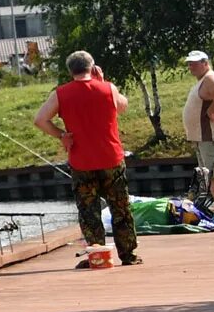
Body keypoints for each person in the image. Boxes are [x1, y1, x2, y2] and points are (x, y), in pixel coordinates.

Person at [33, 50, 140, 266]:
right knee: (120, 207)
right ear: (91, 67)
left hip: (81, 161)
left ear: (70, 70)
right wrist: (103, 81)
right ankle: (128, 255)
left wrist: (62, 135)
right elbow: (123, 106)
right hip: (111, 157)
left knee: (88, 211)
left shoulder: (60, 94)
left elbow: (40, 120)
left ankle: (97, 255)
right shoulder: (108, 88)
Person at [182, 50, 214, 228]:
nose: (191, 66)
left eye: (195, 63)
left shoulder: (210, 78)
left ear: (206, 63)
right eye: (189, 63)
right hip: (204, 137)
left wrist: (212, 111)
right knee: (210, 176)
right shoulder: (205, 80)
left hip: (211, 136)